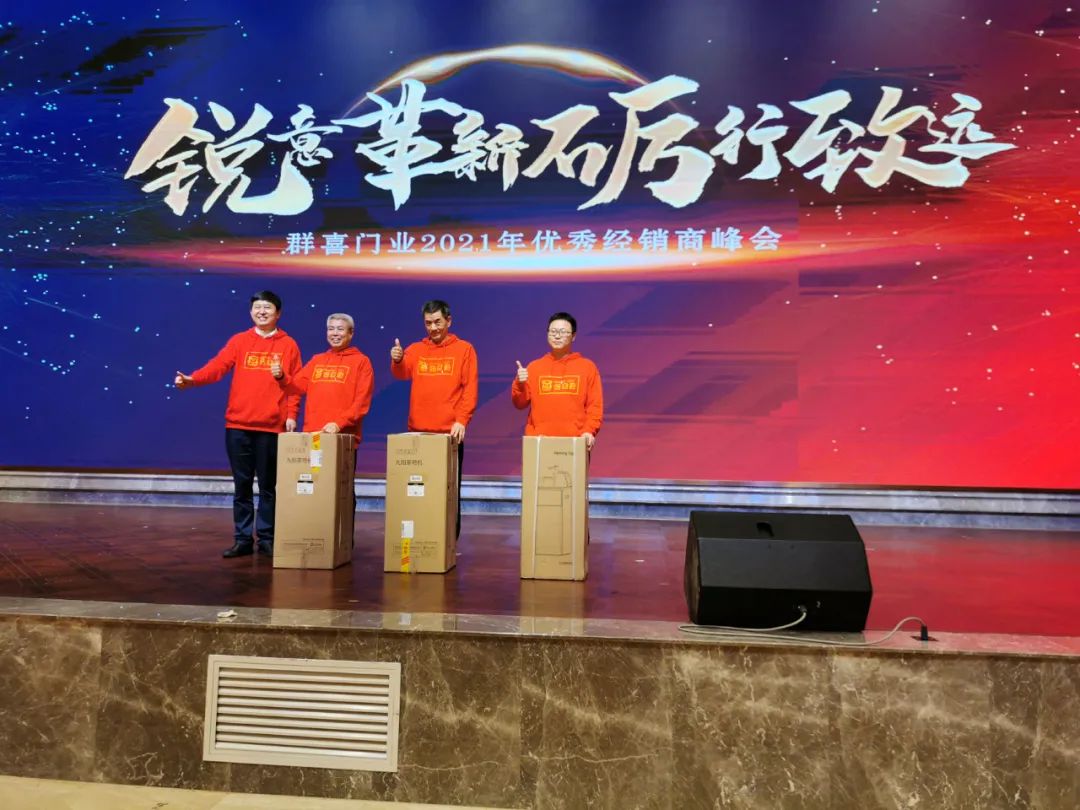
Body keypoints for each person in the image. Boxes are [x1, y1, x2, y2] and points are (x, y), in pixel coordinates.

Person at [174, 291, 301, 558]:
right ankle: (242, 539)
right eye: (257, 307)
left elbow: (295, 384)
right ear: (251, 311)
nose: (262, 312)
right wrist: (193, 379)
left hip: (271, 427)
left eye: (267, 308)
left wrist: (291, 414)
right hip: (238, 425)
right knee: (241, 486)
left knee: (268, 487)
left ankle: (266, 538)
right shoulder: (239, 341)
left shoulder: (289, 344)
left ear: (278, 313)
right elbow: (218, 366)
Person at [390, 299, 478, 537]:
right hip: (418, 433)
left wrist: (462, 420)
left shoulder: (464, 349)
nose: (433, 328)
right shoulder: (416, 349)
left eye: (438, 322)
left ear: (449, 321)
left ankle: (448, 543)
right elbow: (401, 373)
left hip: (449, 434)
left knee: (448, 492)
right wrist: (397, 359)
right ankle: (421, 539)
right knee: (418, 490)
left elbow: (470, 389)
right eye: (428, 323)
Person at [271, 313, 374, 515]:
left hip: (343, 439)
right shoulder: (317, 360)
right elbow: (296, 386)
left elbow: (362, 403)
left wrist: (339, 423)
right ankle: (317, 530)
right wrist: (282, 376)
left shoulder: (362, 362)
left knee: (342, 491)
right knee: (316, 487)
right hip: (315, 438)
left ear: (351, 333)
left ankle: (342, 534)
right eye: (331, 329)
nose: (335, 333)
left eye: (340, 329)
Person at [511, 312, 603, 446]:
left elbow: (595, 407)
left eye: (563, 332)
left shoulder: (587, 367)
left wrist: (589, 431)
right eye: (553, 331)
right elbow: (519, 403)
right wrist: (519, 383)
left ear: (573, 336)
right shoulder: (534, 367)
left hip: (575, 442)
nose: (557, 336)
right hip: (539, 442)